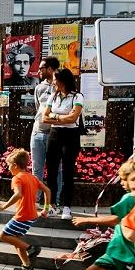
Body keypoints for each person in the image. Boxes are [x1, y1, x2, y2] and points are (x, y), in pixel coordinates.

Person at [0, 149, 49, 270]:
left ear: (15, 165)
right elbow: (47, 190)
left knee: (2, 235)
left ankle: (31, 248)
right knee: (16, 240)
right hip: (31, 215)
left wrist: (4, 206)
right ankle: (27, 267)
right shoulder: (32, 177)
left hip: (23, 215)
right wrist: (46, 208)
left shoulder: (17, 178)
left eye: (9, 165)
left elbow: (18, 194)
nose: (8, 168)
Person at [42, 68, 83, 220]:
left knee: (68, 171)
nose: (53, 82)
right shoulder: (53, 96)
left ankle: (67, 207)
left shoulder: (77, 96)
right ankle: (52, 205)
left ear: (62, 81)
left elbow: (73, 118)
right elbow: (44, 118)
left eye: (55, 79)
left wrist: (55, 116)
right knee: (51, 171)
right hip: (54, 134)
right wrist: (61, 117)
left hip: (71, 135)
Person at [30, 56, 60, 204]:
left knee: (56, 169)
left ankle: (55, 200)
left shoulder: (60, 87)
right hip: (37, 131)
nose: (38, 71)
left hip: (54, 133)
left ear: (49, 69)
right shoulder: (39, 87)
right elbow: (38, 108)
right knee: (36, 168)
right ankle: (36, 200)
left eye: (41, 68)